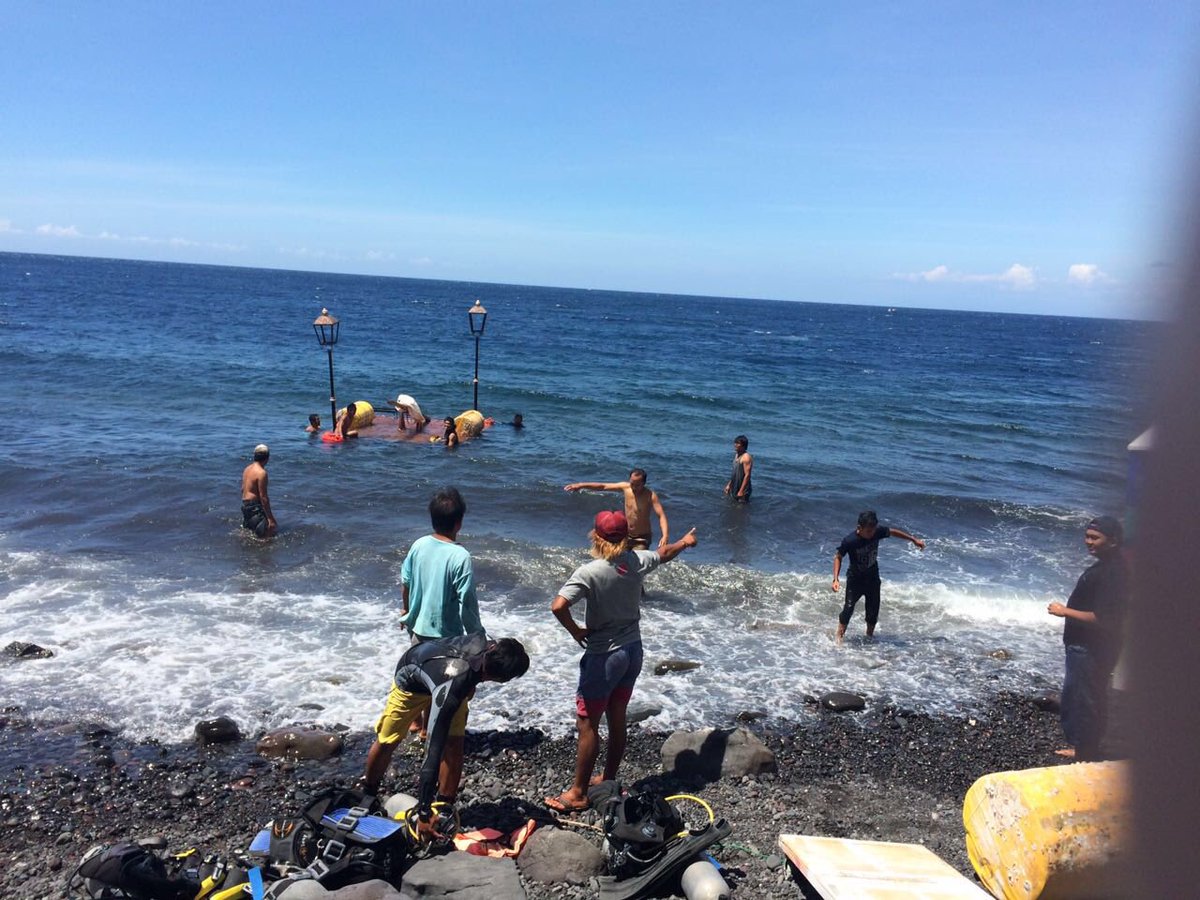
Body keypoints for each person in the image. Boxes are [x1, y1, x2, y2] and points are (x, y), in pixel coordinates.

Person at [546, 511, 698, 812]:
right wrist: (686, 541)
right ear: (625, 538)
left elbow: (558, 605)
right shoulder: (636, 561)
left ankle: (578, 793)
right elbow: (664, 553)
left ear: (597, 537)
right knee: (617, 716)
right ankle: (610, 779)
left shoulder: (589, 572)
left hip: (604, 656)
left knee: (587, 722)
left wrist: (576, 630)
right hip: (632, 651)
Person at [363, 634, 529, 838]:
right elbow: (432, 751)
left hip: (448, 678)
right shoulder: (455, 687)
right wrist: (423, 812)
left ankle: (444, 808)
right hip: (411, 680)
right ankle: (368, 794)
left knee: (455, 742)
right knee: (389, 739)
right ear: (499, 677)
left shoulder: (487, 648)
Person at [1047, 515, 1129, 761]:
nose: (1088, 542)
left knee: (1083, 699)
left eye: (1095, 538)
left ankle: (1084, 752)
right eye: (1087, 536)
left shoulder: (1112, 572)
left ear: (1112, 541)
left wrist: (1064, 611)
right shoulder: (1111, 565)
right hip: (1093, 646)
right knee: (1091, 695)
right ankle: (1087, 747)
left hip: (1090, 647)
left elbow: (1105, 618)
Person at [831, 510, 925, 642]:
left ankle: (869, 637)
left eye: (873, 530)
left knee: (873, 612)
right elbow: (838, 557)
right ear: (859, 528)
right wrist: (836, 579)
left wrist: (913, 539)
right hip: (855, 580)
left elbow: (892, 531)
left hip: (873, 578)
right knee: (848, 609)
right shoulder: (850, 541)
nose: (872, 534)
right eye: (868, 531)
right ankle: (839, 638)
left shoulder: (876, 532)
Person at [564, 469, 670, 549]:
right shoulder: (626, 487)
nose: (634, 487)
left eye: (637, 485)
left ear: (643, 483)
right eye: (632, 483)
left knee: (635, 565)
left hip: (642, 538)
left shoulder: (650, 496)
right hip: (624, 535)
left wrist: (665, 536)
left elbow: (661, 516)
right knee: (615, 561)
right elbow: (603, 486)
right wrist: (581, 485)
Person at [240, 444, 277, 538]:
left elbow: (242, 489)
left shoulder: (247, 469)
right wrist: (270, 518)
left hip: (245, 506)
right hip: (254, 507)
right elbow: (263, 497)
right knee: (268, 534)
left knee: (250, 535)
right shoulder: (261, 473)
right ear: (267, 458)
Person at [724, 435, 753, 502]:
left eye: (738, 443)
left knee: (741, 509)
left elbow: (747, 475)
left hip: (743, 489)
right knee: (733, 508)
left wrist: (741, 491)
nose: (735, 445)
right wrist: (729, 485)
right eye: (735, 443)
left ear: (743, 446)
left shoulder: (746, 457)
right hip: (735, 486)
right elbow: (735, 473)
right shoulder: (737, 455)